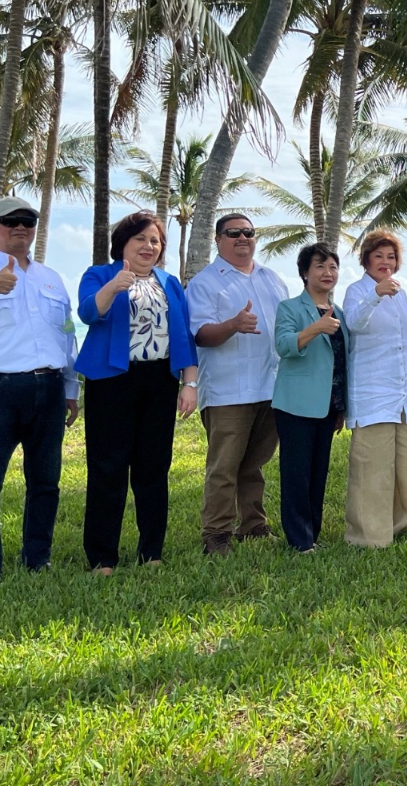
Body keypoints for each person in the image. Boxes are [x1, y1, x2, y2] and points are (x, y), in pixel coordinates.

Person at [0, 197, 79, 588]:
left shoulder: (51, 278)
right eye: (10, 221)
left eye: (28, 220)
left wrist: (71, 387)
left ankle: (37, 558)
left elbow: (67, 334)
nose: (21, 227)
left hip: (50, 388)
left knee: (45, 481)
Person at [75, 211, 198, 574]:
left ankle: (151, 553)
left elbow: (184, 335)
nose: (148, 246)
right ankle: (102, 557)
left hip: (160, 380)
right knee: (107, 468)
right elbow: (88, 313)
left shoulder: (169, 282)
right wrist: (114, 287)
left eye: (155, 240)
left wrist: (189, 383)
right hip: (111, 379)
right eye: (140, 239)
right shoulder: (100, 274)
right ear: (123, 243)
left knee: (154, 467)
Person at [186, 213, 291, 557]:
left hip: (270, 387)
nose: (242, 238)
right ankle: (216, 533)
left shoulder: (272, 279)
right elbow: (200, 334)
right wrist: (233, 324)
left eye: (248, 232)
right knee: (224, 467)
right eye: (233, 233)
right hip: (228, 391)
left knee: (254, 464)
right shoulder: (205, 283)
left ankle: (253, 525)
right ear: (218, 240)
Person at [341, 229, 407, 547]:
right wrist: (376, 294)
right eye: (378, 256)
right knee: (372, 467)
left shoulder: (401, 294)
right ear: (366, 260)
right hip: (371, 392)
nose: (385, 262)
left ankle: (403, 525)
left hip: (399, 393)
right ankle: (368, 535)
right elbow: (354, 323)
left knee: (406, 464)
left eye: (391, 256)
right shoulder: (356, 291)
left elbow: (406, 343)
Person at [273, 242, 349, 553]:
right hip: (296, 404)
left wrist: (341, 406)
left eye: (333, 267)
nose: (328, 272)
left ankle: (312, 533)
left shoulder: (339, 312)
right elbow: (283, 345)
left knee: (318, 473)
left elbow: (342, 361)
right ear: (305, 273)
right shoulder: (290, 308)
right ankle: (299, 540)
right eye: (320, 266)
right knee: (296, 474)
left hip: (328, 405)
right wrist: (315, 328)